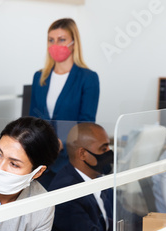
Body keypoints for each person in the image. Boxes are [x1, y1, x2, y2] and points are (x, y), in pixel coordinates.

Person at [29, 18, 100, 187]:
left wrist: (60, 142)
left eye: (62, 40)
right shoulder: (39, 77)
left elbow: (86, 123)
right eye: (51, 40)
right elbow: (33, 118)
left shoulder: (88, 78)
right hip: (42, 162)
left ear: (73, 43)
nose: (55, 45)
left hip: (70, 162)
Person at [47, 123, 114, 231]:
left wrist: (145, 230)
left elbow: (118, 222)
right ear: (82, 154)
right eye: (104, 148)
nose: (109, 152)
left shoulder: (98, 179)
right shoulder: (66, 191)